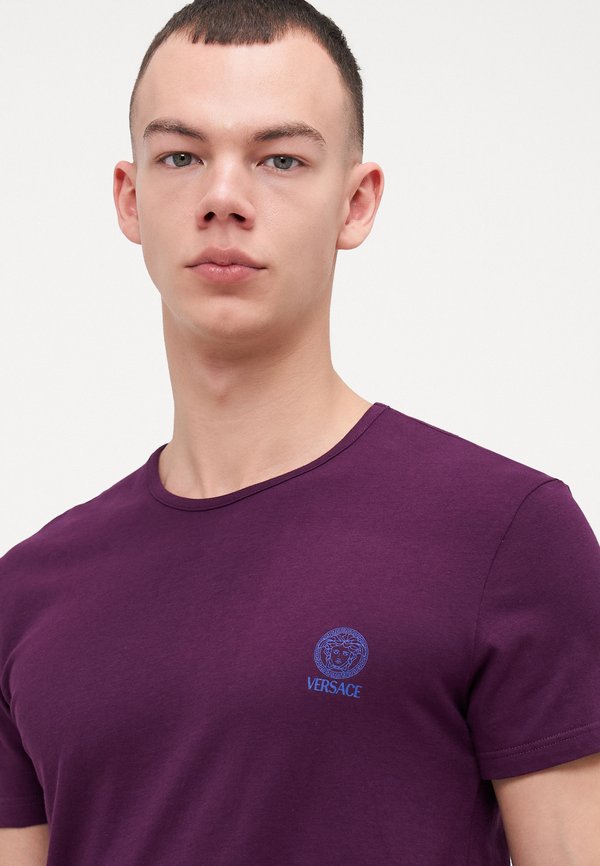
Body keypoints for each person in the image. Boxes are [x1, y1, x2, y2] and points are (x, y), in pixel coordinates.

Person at [1, 1, 599, 864]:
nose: (223, 198)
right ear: (131, 199)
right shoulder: (26, 596)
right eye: (181, 156)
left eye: (280, 159)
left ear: (356, 203)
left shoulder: (507, 537)